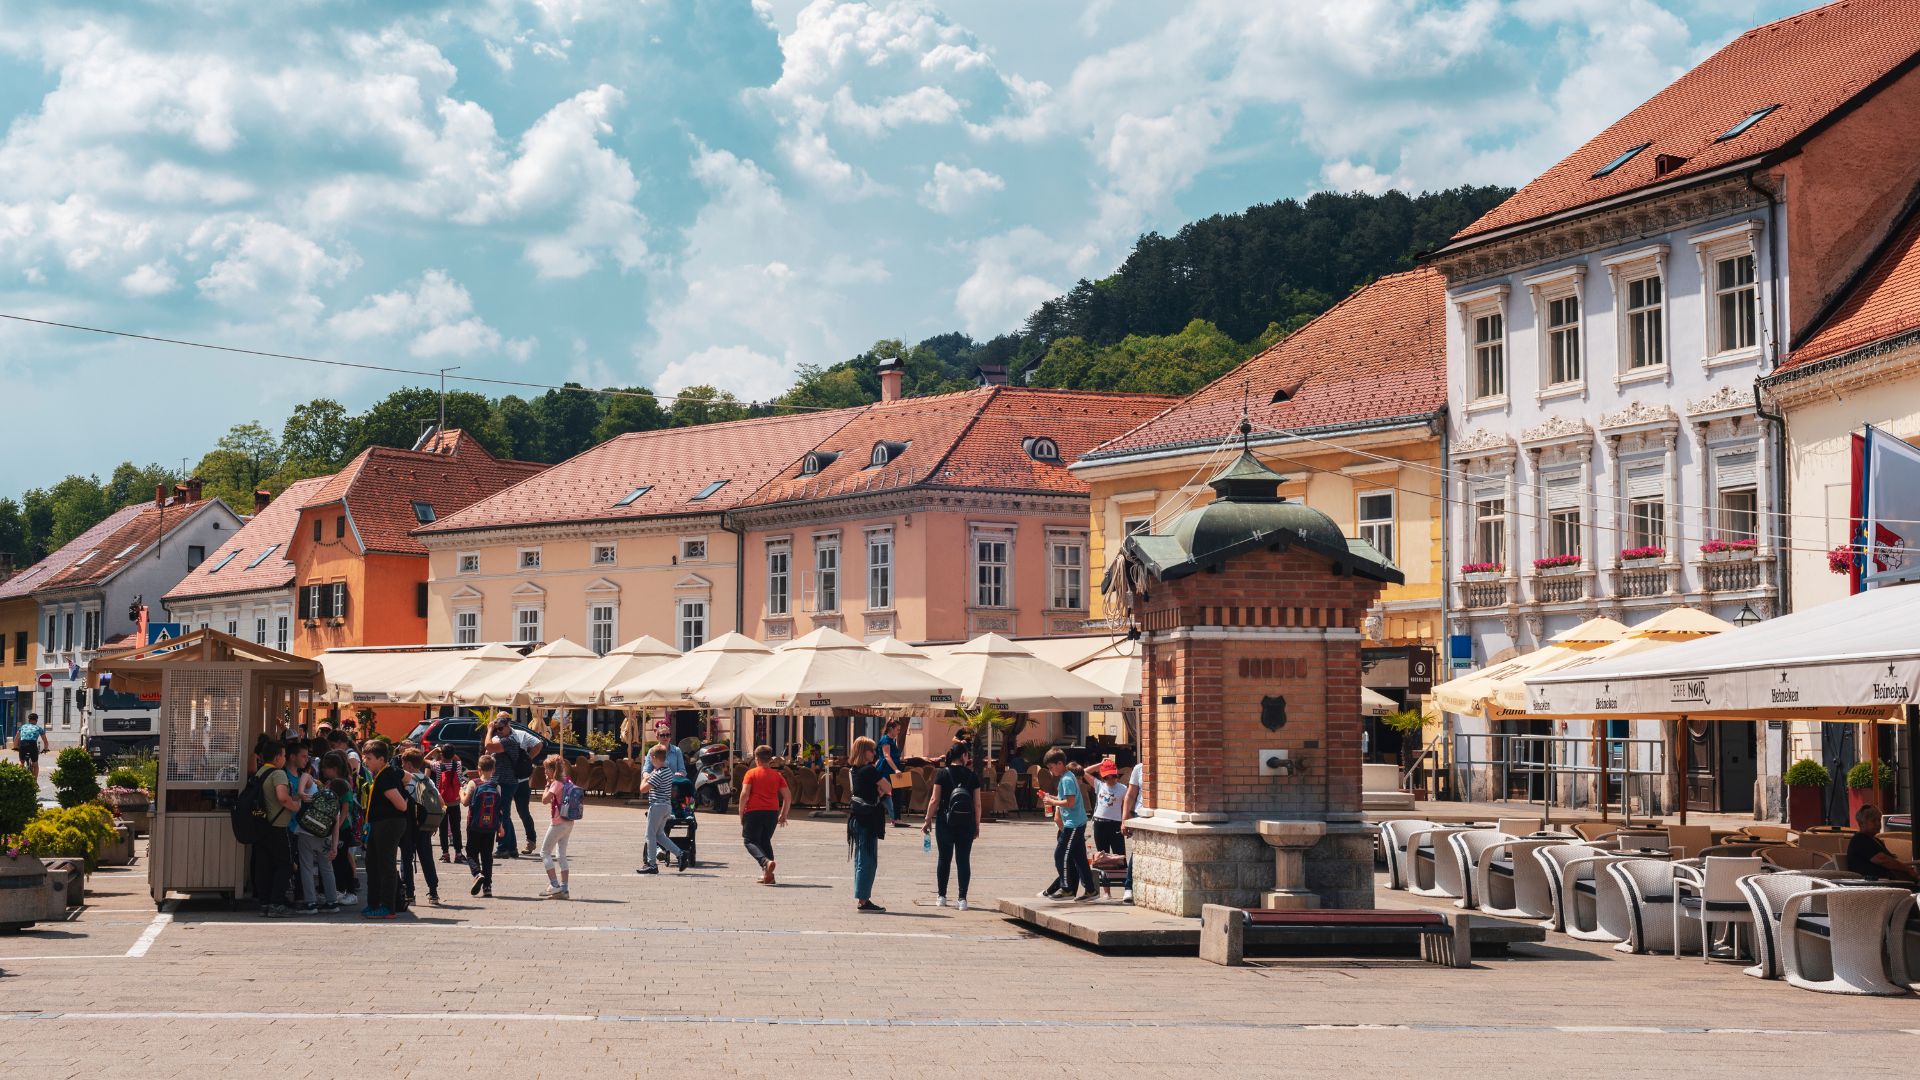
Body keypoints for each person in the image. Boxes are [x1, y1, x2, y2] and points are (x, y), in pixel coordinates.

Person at [923, 742, 982, 910]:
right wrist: (977, 825)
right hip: (966, 824)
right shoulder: (972, 776)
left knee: (944, 858)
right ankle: (962, 899)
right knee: (963, 860)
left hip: (945, 821)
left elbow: (934, 799)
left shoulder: (942, 773)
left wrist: (928, 819)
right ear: (963, 756)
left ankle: (941, 896)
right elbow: (977, 804)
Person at [248, 739, 301, 917]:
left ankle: (264, 902)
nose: (285, 758)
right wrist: (296, 806)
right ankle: (277, 903)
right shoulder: (278, 774)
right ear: (278, 757)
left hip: (261, 825)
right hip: (278, 826)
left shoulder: (260, 771)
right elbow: (282, 797)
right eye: (284, 755)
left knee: (263, 865)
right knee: (284, 864)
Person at [1037, 748, 1094, 902]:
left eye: (1051, 767)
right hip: (1076, 822)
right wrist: (1052, 797)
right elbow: (1067, 798)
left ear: (1060, 763)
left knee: (1060, 854)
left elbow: (1070, 802)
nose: (1050, 771)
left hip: (1073, 824)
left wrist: (1052, 802)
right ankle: (1090, 890)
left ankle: (1067, 888)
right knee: (1080, 858)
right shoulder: (1066, 777)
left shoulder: (1067, 779)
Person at [361, 742, 409, 919]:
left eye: (369, 758)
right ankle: (373, 903)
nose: (365, 761)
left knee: (385, 865)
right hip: (379, 824)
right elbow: (409, 777)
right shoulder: (383, 773)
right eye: (365, 757)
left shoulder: (386, 776)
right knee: (372, 863)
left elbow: (402, 806)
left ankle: (388, 907)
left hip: (389, 824)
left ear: (381, 759)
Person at [293, 755, 346, 915]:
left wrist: (301, 791)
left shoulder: (317, 790)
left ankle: (311, 904)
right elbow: (335, 826)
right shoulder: (335, 803)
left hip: (306, 834)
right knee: (327, 869)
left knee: (307, 868)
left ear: (328, 784)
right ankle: (332, 902)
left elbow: (306, 775)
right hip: (325, 838)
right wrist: (334, 847)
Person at [847, 735, 891, 912]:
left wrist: (877, 793)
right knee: (868, 860)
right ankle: (863, 900)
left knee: (860, 859)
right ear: (864, 752)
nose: (875, 753)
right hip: (868, 820)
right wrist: (880, 791)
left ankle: (862, 896)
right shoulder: (869, 770)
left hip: (856, 818)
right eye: (872, 750)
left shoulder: (853, 770)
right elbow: (887, 787)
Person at [487, 719, 540, 858]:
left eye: (500, 728)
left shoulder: (509, 740)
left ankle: (504, 847)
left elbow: (488, 746)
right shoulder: (503, 738)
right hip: (504, 781)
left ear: (508, 726)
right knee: (504, 814)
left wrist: (489, 730)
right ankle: (511, 848)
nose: (498, 731)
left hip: (506, 781)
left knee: (503, 815)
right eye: (496, 729)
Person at [738, 745, 790, 885]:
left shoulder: (751, 773)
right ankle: (768, 875)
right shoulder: (777, 775)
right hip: (772, 813)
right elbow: (787, 796)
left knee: (749, 841)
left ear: (756, 758)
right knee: (765, 841)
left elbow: (744, 794)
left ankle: (765, 862)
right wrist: (783, 814)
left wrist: (741, 812)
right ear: (770, 759)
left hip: (754, 811)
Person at [398, 748, 440, 907]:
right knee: (427, 858)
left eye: (403, 763)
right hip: (425, 826)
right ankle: (433, 892)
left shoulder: (407, 780)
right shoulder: (428, 781)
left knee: (406, 858)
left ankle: (409, 893)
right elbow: (439, 801)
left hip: (409, 825)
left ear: (408, 764)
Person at [636, 745, 686, 874]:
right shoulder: (668, 771)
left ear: (654, 758)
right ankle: (680, 853)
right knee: (659, 835)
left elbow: (643, 789)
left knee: (650, 835)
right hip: (666, 806)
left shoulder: (658, 773)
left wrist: (644, 778)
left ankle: (652, 864)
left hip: (657, 806)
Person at [462, 754, 503, 898]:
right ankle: (487, 887)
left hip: (474, 824)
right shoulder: (496, 786)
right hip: (490, 826)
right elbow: (499, 809)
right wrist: (500, 827)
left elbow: (465, 802)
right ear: (493, 769)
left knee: (471, 853)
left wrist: (461, 792)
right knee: (487, 856)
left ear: (479, 769)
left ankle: (477, 873)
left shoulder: (473, 783)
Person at [1089, 760, 1128, 901]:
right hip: (1100, 823)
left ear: (1116, 775)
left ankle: (1127, 889)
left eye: (1113, 776)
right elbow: (1083, 772)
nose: (1110, 779)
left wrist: (1125, 822)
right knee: (1102, 857)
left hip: (1115, 823)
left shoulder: (1123, 788)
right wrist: (1099, 765)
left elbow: (1127, 805)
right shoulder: (1099, 785)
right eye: (1106, 777)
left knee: (1120, 855)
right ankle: (1106, 891)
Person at [1846, 806, 1918, 882]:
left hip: (1886, 881)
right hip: (1872, 883)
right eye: (1873, 821)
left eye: (1879, 820)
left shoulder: (1876, 840)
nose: (1878, 823)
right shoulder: (1859, 840)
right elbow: (1883, 860)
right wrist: (1908, 870)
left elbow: (1889, 860)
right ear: (1861, 823)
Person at [539, 756, 576, 899]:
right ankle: (564, 889)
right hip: (569, 822)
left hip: (558, 822)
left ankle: (554, 885)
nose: (544, 772)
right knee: (561, 855)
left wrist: (547, 785)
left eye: (546, 769)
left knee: (544, 852)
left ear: (552, 769)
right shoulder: (567, 780)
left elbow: (544, 800)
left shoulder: (556, 783)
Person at [428, 747, 465, 863]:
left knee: (443, 828)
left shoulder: (437, 766)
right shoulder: (458, 765)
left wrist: (435, 751)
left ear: (442, 755)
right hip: (455, 801)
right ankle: (458, 854)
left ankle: (445, 854)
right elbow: (457, 758)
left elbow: (425, 759)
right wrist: (449, 752)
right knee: (456, 828)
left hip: (442, 802)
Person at [1120, 757, 1148, 904]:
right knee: (1136, 852)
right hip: (1139, 813)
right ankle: (1128, 887)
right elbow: (1130, 795)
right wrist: (1125, 818)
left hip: (1154, 814)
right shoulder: (1139, 769)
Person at [875, 718, 905, 824]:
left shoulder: (892, 740)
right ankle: (895, 818)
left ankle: (896, 818)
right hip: (886, 770)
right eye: (897, 729)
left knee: (897, 793)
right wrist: (896, 769)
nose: (898, 731)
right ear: (891, 729)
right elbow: (886, 756)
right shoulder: (885, 740)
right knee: (884, 793)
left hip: (892, 770)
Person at [14, 712, 46, 779]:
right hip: (32, 745)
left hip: (23, 744)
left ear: (28, 720)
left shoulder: (23, 727)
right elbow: (45, 741)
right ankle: (35, 782)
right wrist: (46, 748)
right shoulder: (38, 728)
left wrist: (15, 747)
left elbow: (16, 738)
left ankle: (19, 779)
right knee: (35, 764)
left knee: (21, 762)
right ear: (36, 720)